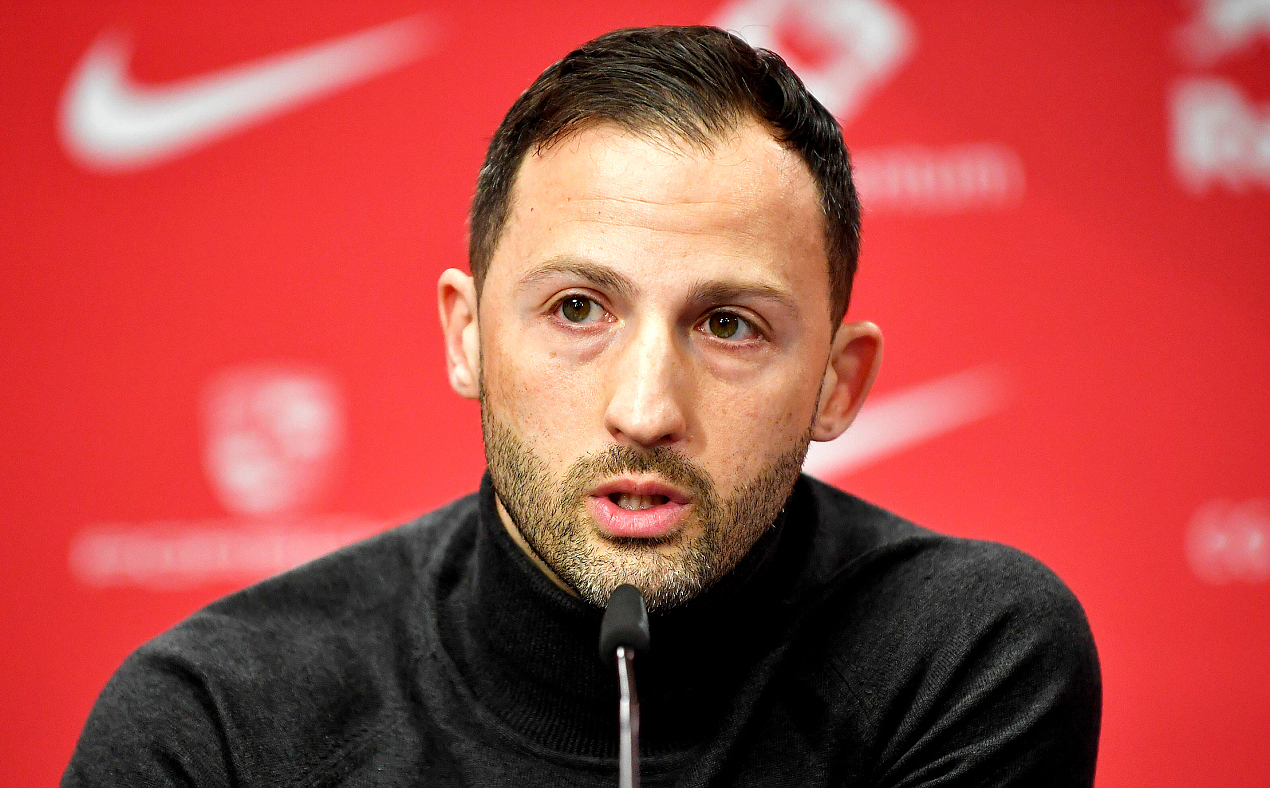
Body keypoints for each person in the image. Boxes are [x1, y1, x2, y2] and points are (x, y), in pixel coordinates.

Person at [64, 26, 1100, 787]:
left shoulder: (961, 654)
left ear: (838, 383)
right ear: (467, 337)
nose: (644, 410)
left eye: (728, 325)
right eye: (576, 309)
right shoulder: (216, 723)